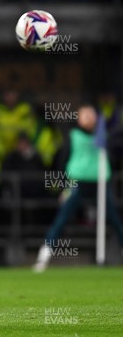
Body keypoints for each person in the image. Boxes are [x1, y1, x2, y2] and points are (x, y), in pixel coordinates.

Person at [33, 105, 123, 272]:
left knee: (115, 220)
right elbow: (62, 161)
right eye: (85, 115)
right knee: (62, 219)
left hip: (100, 184)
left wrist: (107, 142)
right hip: (76, 182)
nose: (89, 118)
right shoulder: (72, 136)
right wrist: (62, 187)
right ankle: (44, 256)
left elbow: (115, 153)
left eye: (91, 115)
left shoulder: (103, 137)